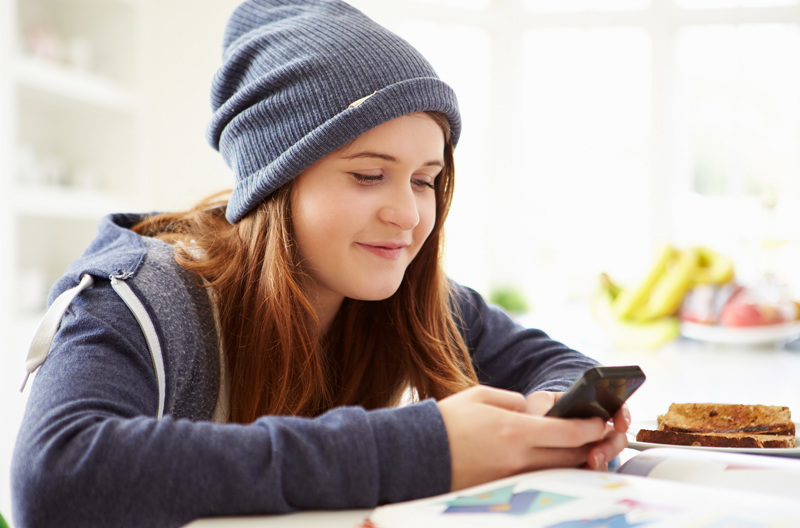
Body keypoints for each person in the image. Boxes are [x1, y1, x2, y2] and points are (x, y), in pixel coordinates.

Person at [11, 1, 629, 527]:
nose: (409, 216)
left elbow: (557, 364)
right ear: (274, 184)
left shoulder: (407, 294)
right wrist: (422, 449)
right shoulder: (138, 295)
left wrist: (560, 410)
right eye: (368, 175)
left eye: (424, 181)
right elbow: (55, 475)